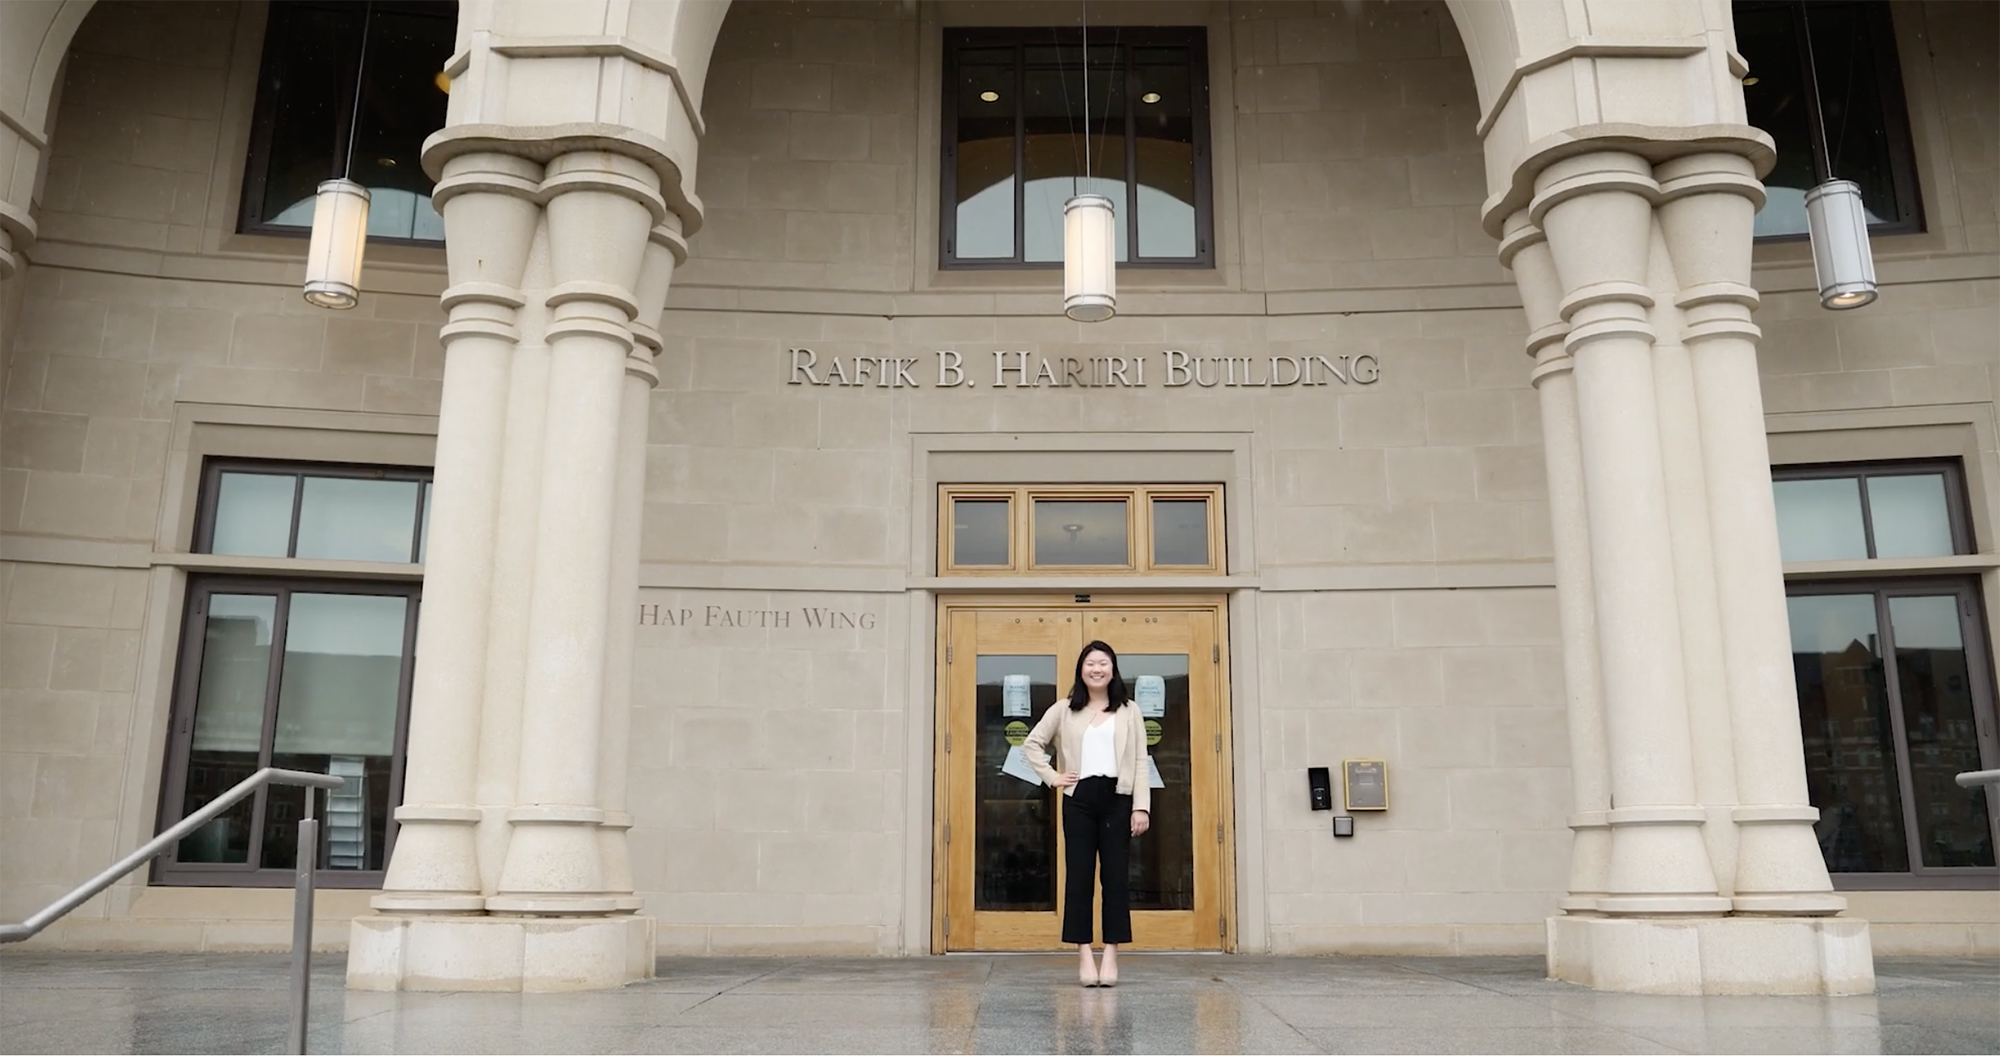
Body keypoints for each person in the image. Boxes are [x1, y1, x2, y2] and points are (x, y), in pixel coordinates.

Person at [1020, 639, 1152, 987]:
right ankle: (1083, 954)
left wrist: (1141, 807)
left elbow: (1140, 761)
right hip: (1078, 797)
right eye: (1091, 663)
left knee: (1116, 879)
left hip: (1118, 798)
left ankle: (1110, 954)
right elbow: (1031, 744)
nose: (1097, 669)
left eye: (1103, 663)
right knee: (1078, 878)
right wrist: (1053, 777)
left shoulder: (1129, 710)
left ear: (1113, 669)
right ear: (1081, 669)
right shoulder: (1065, 709)